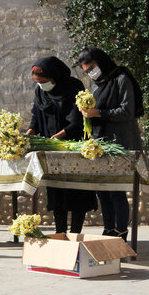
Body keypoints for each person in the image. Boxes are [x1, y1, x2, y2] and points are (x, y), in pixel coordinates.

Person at [77, 47, 144, 241]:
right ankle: (109, 230)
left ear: (101, 61)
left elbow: (127, 111)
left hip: (119, 141)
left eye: (92, 67)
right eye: (86, 71)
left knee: (116, 191)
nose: (91, 73)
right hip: (100, 141)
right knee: (103, 191)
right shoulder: (97, 84)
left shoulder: (121, 79)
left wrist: (98, 113)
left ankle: (121, 233)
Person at [26, 56, 98, 233]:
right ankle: (60, 233)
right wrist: (30, 132)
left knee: (76, 192)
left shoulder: (73, 87)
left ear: (54, 76)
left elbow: (77, 119)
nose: (42, 86)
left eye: (44, 81)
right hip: (52, 148)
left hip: (73, 144)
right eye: (39, 83)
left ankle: (75, 233)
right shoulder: (40, 91)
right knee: (57, 192)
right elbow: (37, 114)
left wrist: (60, 136)